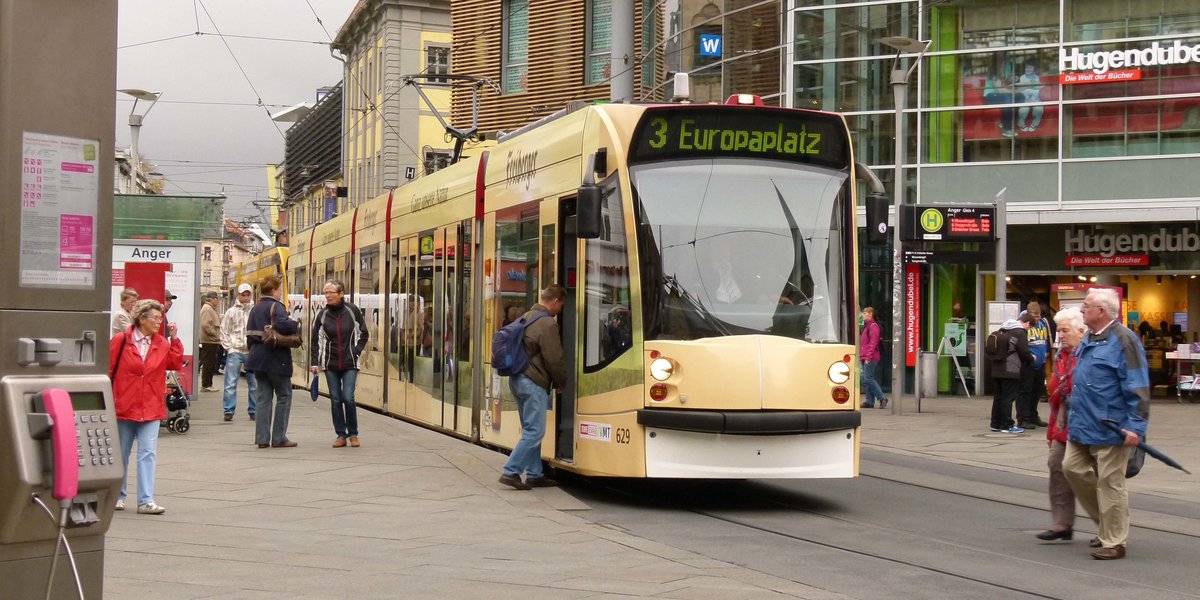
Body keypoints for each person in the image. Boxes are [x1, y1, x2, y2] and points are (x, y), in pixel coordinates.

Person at [1062, 288, 1149, 560]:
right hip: (1083, 424)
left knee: (1110, 483)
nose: (1081, 310)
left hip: (1113, 427)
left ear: (1101, 311)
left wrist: (1136, 426)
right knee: (1072, 468)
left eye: (1086, 306)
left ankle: (1114, 541)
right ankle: (1107, 525)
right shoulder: (1090, 336)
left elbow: (1138, 384)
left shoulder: (1125, 340)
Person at [109, 299, 183, 515]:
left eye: (161, 318)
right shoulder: (120, 341)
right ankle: (118, 496)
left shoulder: (161, 343)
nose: (159, 322)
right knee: (121, 453)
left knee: (147, 452)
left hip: (150, 406)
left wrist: (175, 339)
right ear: (142, 318)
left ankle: (145, 500)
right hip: (125, 405)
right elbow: (108, 368)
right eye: (155, 318)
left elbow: (175, 364)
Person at [498, 284, 567, 490]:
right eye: (561, 305)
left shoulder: (526, 316)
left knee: (530, 428)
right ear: (555, 302)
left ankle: (535, 474)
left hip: (516, 379)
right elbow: (554, 358)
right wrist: (561, 382)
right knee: (535, 431)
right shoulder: (547, 324)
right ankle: (511, 471)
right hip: (533, 381)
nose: (560, 310)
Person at [1036, 307, 1087, 542]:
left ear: (1081, 331)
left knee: (1091, 474)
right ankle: (1061, 523)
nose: (1061, 335)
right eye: (1059, 331)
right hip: (1064, 423)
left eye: (1065, 331)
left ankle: (1108, 529)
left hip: (1088, 423)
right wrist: (1051, 433)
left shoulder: (1089, 355)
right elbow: (1055, 399)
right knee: (1056, 465)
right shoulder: (1060, 357)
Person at [310, 280, 369, 448]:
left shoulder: (352, 311)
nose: (327, 296)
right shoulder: (322, 315)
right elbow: (316, 340)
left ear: (341, 294)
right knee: (335, 400)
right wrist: (315, 362)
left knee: (348, 398)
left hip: (350, 363)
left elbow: (364, 333)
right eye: (325, 293)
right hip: (330, 364)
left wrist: (356, 351)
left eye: (330, 292)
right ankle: (341, 435)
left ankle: (353, 433)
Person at [246, 275, 300, 448]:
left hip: (257, 360)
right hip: (276, 359)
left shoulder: (255, 308)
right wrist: (295, 324)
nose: (280, 293)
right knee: (284, 395)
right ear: (275, 291)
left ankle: (262, 439)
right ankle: (279, 437)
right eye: (279, 290)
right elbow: (285, 325)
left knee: (263, 398)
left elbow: (249, 335)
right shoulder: (277, 306)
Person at [989, 314, 1034, 433]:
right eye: (1029, 327)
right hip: (1010, 369)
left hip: (996, 369)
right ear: (1027, 323)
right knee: (1008, 398)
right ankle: (1007, 425)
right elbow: (1024, 351)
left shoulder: (1003, 329)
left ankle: (995, 424)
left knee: (998, 397)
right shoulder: (1020, 332)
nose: (1028, 330)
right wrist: (1032, 359)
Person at [220, 283, 258, 422]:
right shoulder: (231, 312)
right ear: (239, 295)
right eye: (243, 295)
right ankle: (228, 410)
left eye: (248, 295)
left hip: (251, 350)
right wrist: (229, 347)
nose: (246, 297)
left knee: (254, 384)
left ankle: (254, 410)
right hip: (235, 350)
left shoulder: (255, 310)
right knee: (231, 382)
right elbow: (224, 330)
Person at [1018, 301, 1052, 430]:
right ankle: (1023, 419)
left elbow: (1047, 339)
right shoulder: (1023, 324)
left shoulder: (1043, 323)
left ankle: (1033, 415)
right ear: (1027, 314)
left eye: (1038, 316)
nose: (1037, 319)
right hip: (1027, 363)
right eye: (1034, 316)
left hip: (1041, 363)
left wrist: (1047, 351)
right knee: (1025, 392)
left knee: (1037, 392)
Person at [859, 307, 886, 409]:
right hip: (865, 356)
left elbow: (873, 343)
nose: (863, 315)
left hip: (870, 357)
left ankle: (882, 398)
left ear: (870, 314)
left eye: (865, 313)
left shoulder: (873, 326)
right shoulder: (867, 326)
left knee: (868, 378)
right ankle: (869, 401)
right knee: (866, 378)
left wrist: (868, 356)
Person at [199, 290, 222, 391]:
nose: (217, 300)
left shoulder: (210, 308)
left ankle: (208, 384)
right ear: (212, 299)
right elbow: (206, 325)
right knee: (208, 363)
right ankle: (206, 385)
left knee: (211, 363)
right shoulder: (207, 309)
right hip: (209, 340)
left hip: (212, 340)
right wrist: (215, 334)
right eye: (216, 298)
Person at [1016, 63, 1044, 132]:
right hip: (1025, 98)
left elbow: (1037, 89)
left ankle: (1034, 125)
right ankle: (1021, 125)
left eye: (1030, 68)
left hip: (1035, 98)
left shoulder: (1037, 77)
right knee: (1023, 110)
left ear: (1034, 69)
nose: (1028, 69)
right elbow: (1022, 90)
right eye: (1026, 68)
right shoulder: (1022, 77)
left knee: (1039, 108)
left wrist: (1033, 98)